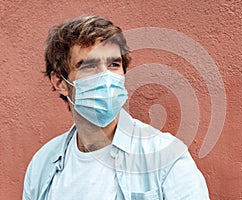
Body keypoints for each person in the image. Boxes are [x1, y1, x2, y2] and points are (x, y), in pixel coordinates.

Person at [22, 15, 210, 200]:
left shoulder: (165, 157)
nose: (106, 78)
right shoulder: (43, 164)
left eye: (114, 64)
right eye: (89, 66)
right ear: (60, 82)